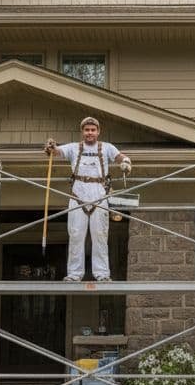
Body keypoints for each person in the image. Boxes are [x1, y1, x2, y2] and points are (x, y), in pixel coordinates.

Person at [45, 117, 131, 282]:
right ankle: (74, 274)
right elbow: (56, 152)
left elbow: (121, 157)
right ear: (82, 132)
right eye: (87, 130)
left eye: (93, 130)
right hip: (78, 197)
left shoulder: (107, 148)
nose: (90, 133)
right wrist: (51, 147)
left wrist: (126, 162)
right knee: (76, 235)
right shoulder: (73, 148)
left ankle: (102, 274)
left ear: (98, 132)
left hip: (100, 197)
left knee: (100, 236)